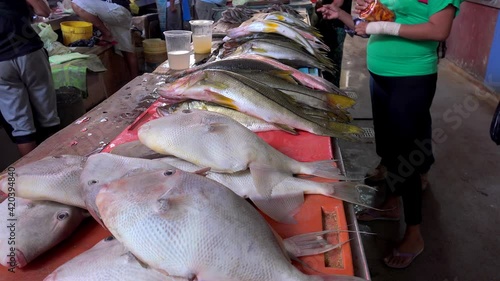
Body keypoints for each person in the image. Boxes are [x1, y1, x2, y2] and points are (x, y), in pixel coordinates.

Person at [318, 0, 463, 269]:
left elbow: (439, 30)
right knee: (389, 147)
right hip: (379, 70)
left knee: (407, 154)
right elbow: (368, 28)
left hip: (411, 76)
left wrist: (383, 24)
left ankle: (414, 232)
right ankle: (392, 203)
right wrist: (345, 16)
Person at [0, 0, 61, 156]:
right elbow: (44, 11)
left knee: (21, 127)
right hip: (28, 52)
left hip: (2, 64)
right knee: (49, 118)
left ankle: (32, 175)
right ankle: (58, 169)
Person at [71, 0, 139, 78]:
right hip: (122, 13)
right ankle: (136, 81)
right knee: (128, 50)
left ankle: (106, 34)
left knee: (76, 3)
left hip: (116, 10)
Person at [315, 0, 352, 87]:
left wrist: (330, 7)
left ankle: (333, 90)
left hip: (336, 22)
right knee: (321, 59)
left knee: (332, 62)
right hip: (323, 17)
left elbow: (338, 2)